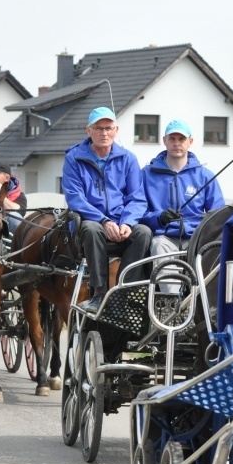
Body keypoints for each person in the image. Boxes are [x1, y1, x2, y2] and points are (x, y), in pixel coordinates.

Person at [63, 107, 151, 312]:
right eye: (99, 128)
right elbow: (75, 198)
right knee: (92, 229)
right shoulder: (73, 158)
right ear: (88, 131)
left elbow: (137, 198)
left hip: (121, 223)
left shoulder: (128, 159)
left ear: (116, 130)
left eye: (109, 128)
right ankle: (99, 293)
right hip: (91, 221)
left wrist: (127, 223)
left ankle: (124, 293)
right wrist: (104, 221)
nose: (104, 133)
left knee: (144, 232)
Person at [140, 119, 226, 293]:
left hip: (197, 240)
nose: (177, 143)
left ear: (190, 142)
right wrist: (159, 218)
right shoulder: (145, 174)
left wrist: (202, 231)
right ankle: (173, 307)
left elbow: (218, 214)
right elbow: (137, 211)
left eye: (181, 139)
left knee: (217, 249)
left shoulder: (205, 176)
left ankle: (205, 306)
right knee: (158, 245)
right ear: (164, 140)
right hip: (164, 239)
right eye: (172, 139)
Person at [0, 161, 27, 233]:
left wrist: (1, 192)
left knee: (15, 217)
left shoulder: (20, 195)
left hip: (9, 233)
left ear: (7, 178)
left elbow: (19, 212)